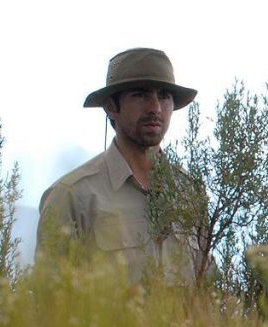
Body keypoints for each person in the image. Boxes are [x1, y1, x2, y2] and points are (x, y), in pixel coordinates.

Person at [36, 48, 204, 285]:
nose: (155, 108)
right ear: (111, 107)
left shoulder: (190, 192)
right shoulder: (72, 195)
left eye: (164, 96)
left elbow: (205, 288)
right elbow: (49, 301)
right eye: (140, 95)